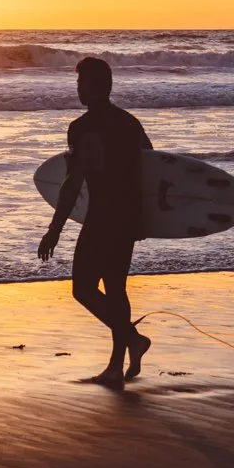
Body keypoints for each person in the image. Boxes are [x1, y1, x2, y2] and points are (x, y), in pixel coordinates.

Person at [39, 57, 153, 385]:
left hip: (103, 216)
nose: (78, 89)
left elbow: (73, 183)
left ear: (93, 87)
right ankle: (118, 364)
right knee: (116, 289)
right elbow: (152, 165)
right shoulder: (130, 123)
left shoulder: (83, 128)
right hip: (129, 215)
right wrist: (145, 219)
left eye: (80, 83)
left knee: (83, 289)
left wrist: (54, 230)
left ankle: (130, 343)